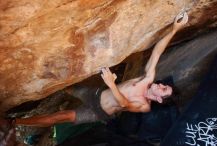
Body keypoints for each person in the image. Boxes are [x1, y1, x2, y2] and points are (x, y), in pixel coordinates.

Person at [13, 12, 188, 127]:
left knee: (61, 117)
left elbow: (124, 104)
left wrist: (112, 84)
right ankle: (48, 95)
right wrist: (175, 29)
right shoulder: (147, 79)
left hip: (98, 112)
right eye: (164, 85)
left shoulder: (144, 106)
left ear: (158, 98)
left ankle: (15, 122)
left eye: (163, 89)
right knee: (68, 88)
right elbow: (157, 52)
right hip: (96, 93)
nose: (160, 85)